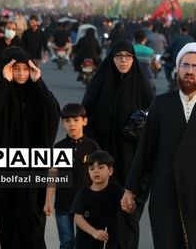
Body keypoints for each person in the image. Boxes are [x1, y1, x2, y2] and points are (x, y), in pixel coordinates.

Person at [122, 42, 196, 248]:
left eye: (195, 67)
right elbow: (145, 150)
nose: (189, 71)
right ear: (178, 69)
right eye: (185, 65)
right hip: (165, 190)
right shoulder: (161, 103)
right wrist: (130, 189)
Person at [82, 40, 154, 249]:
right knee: (104, 217)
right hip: (103, 163)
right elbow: (86, 118)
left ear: (133, 59)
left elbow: (155, 124)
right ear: (111, 58)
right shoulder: (100, 84)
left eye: (128, 56)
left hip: (134, 163)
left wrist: (139, 129)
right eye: (119, 56)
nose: (123, 60)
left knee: (129, 216)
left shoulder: (142, 87)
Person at [0, 47, 60, 248]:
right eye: (16, 69)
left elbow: (53, 112)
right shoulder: (1, 91)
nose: (21, 73)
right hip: (6, 166)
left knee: (33, 221)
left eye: (25, 69)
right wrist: (4, 81)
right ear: (8, 69)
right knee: (7, 219)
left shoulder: (38, 93)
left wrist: (39, 82)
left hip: (34, 166)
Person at [44, 103, 100, 249]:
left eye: (76, 120)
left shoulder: (92, 147)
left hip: (86, 204)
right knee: (67, 241)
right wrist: (48, 200)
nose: (72, 124)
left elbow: (100, 175)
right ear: (63, 123)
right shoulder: (60, 147)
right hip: (63, 203)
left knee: (85, 242)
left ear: (84, 121)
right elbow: (53, 173)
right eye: (67, 121)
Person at [72, 150, 130, 249]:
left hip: (109, 243)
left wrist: (129, 206)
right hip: (85, 243)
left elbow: (128, 209)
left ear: (110, 171)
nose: (96, 171)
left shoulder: (116, 191)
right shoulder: (83, 193)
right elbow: (77, 218)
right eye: (91, 168)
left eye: (101, 167)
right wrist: (94, 232)